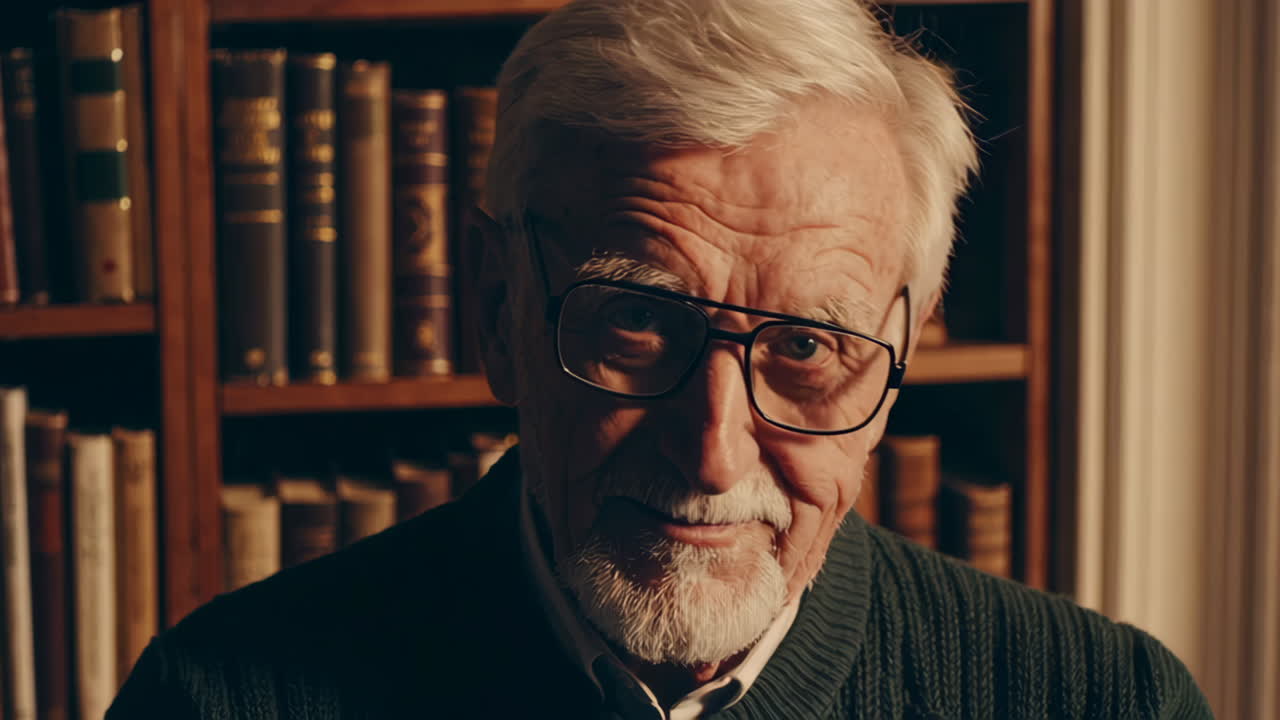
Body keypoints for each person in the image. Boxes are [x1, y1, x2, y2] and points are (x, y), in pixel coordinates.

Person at [110, 0, 1212, 717]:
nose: (714, 453)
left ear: (896, 362)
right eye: (638, 323)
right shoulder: (220, 700)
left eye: (807, 346)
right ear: (497, 309)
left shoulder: (1101, 702)